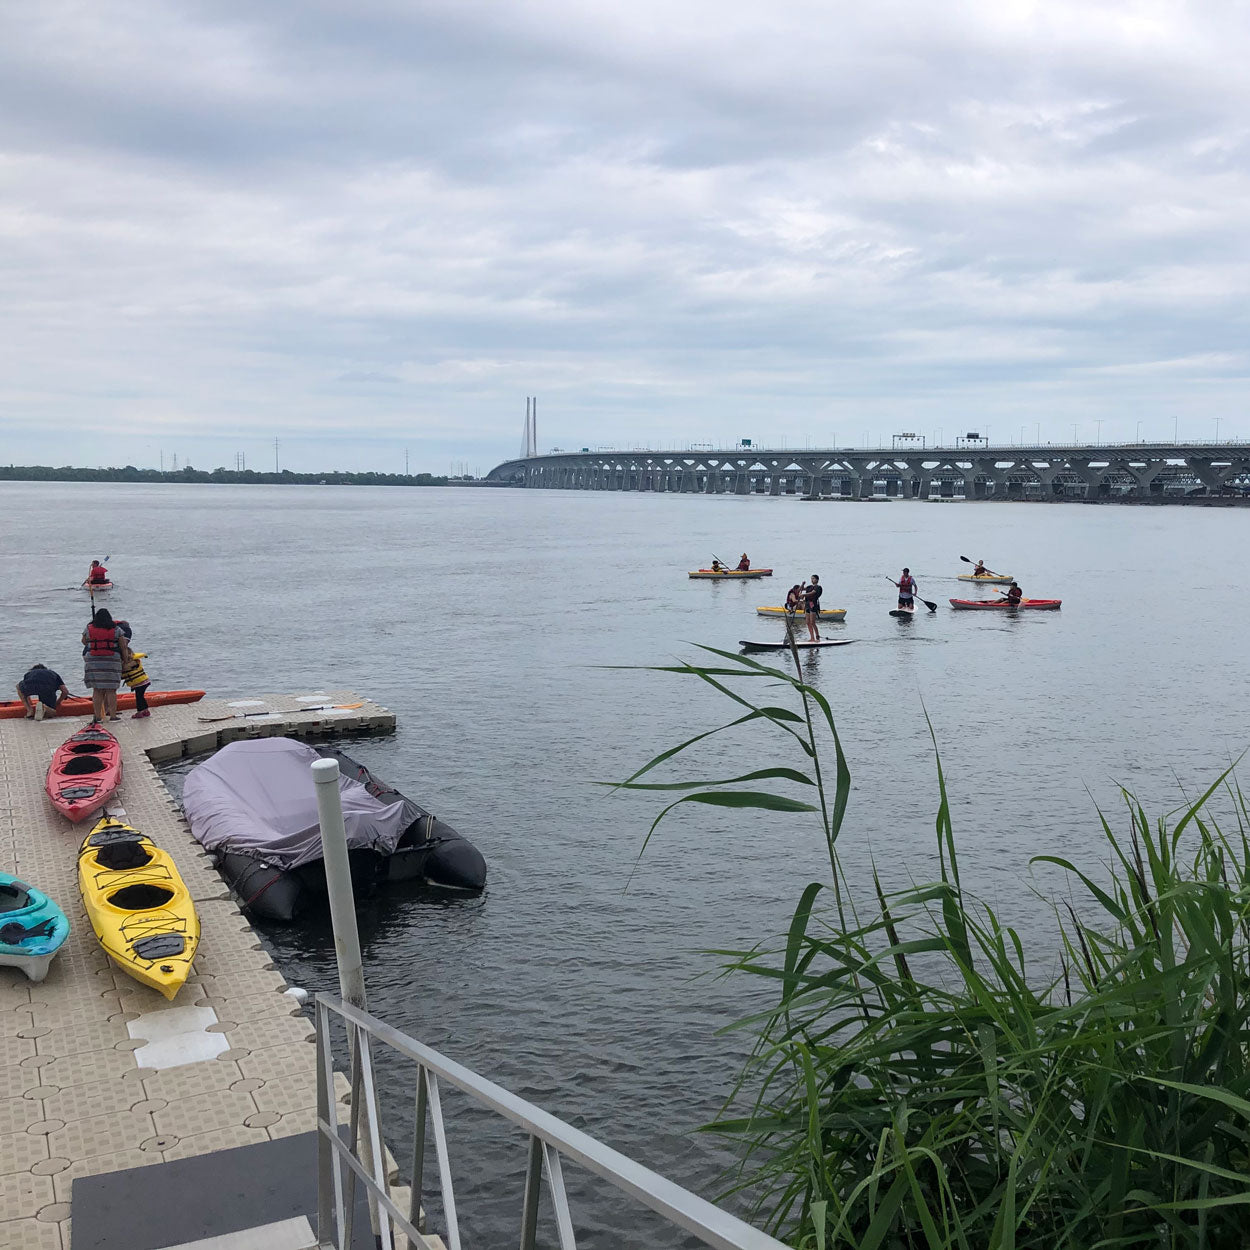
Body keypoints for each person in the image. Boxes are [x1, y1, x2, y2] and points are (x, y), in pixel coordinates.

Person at [81, 607, 131, 722]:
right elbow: (123, 646)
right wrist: (125, 660)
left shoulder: (89, 628)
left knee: (97, 690)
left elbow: (83, 641)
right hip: (112, 661)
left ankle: (98, 716)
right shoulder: (116, 629)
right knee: (111, 690)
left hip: (93, 661)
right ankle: (113, 716)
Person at [115, 620, 152, 719]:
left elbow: (123, 671)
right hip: (144, 681)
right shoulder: (133, 659)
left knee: (139, 697)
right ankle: (146, 710)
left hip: (139, 682)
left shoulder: (127, 663)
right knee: (141, 697)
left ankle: (140, 712)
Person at [803, 574, 823, 641]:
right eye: (811, 578)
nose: (812, 580)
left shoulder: (818, 587)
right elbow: (801, 589)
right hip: (807, 604)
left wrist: (804, 595)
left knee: (812, 622)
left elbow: (812, 593)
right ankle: (812, 638)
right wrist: (802, 584)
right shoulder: (809, 586)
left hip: (813, 604)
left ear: (817, 580)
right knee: (808, 622)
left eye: (813, 578)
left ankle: (817, 637)